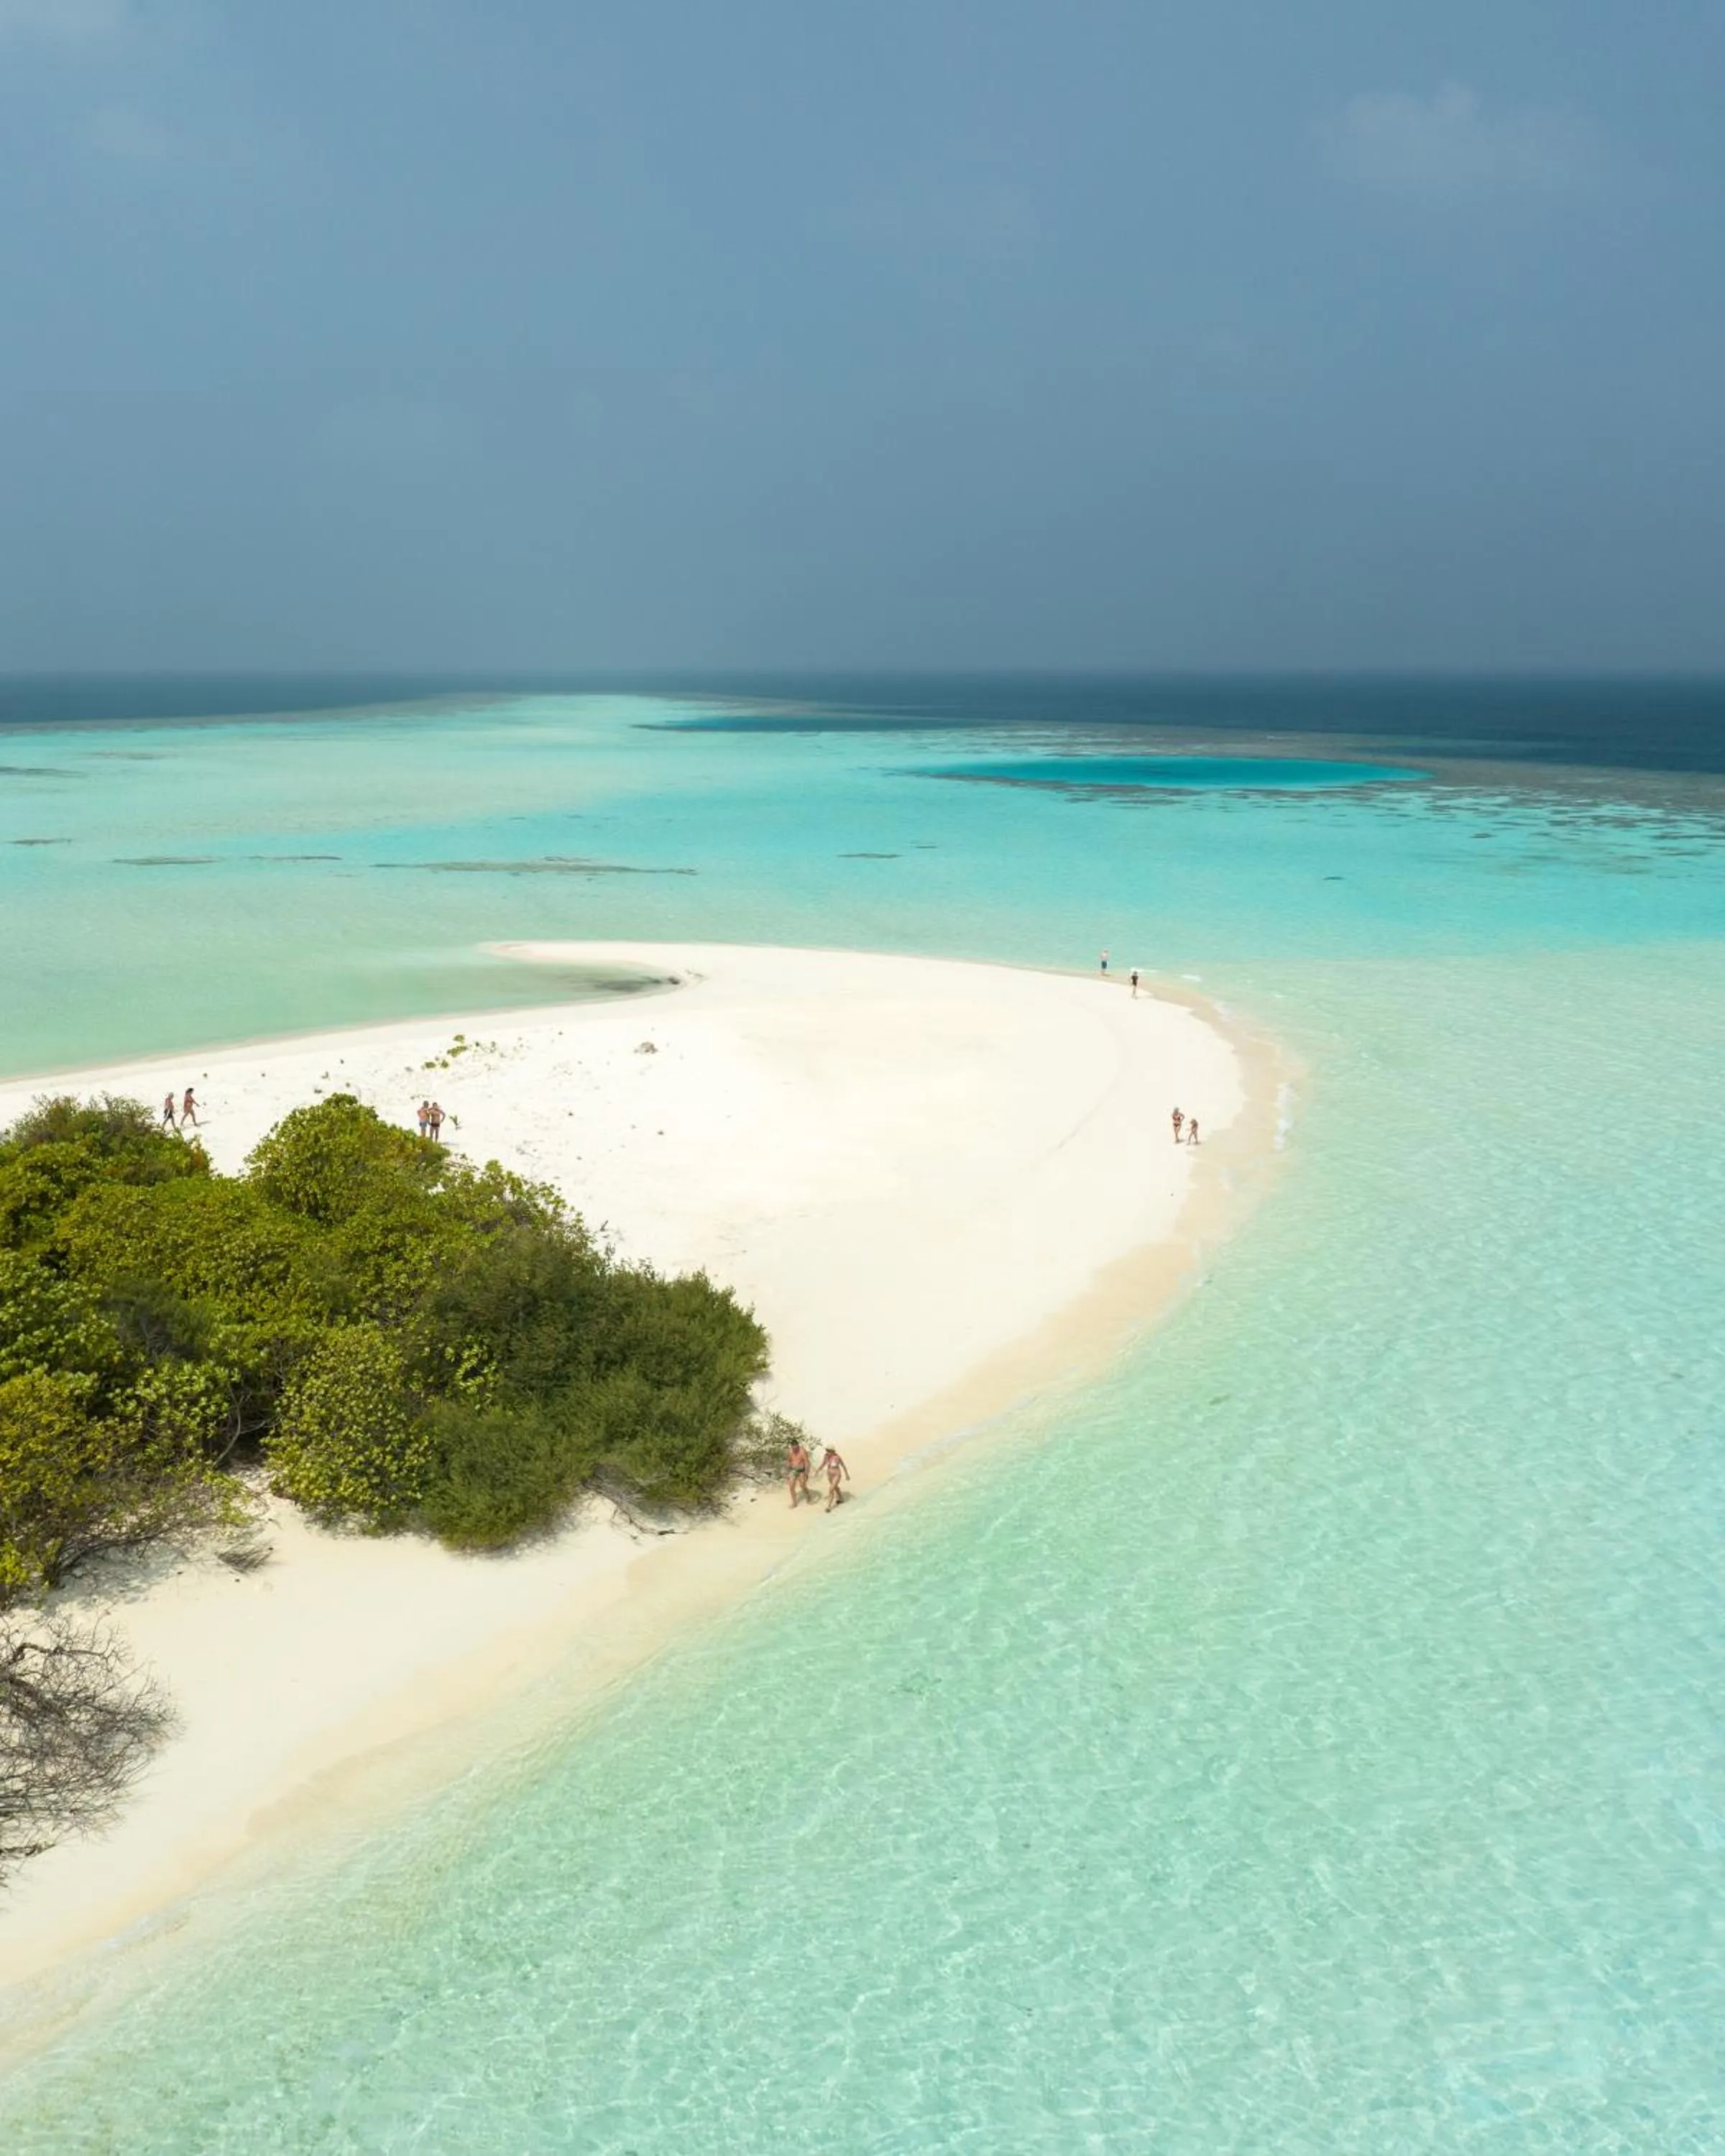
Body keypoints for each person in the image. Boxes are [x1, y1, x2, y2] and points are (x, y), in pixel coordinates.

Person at [822, 1445, 850, 1512]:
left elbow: (843, 1466)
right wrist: (818, 1470)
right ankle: (842, 1499)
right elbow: (823, 1464)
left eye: (829, 1451)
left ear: (833, 1451)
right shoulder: (826, 1456)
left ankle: (829, 1507)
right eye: (827, 1450)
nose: (827, 1452)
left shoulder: (837, 1457)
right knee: (835, 1487)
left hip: (837, 1475)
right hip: (829, 1475)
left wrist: (847, 1474)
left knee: (831, 1489)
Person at [786, 1433, 811, 1508]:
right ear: (791, 1447)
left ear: (798, 1446)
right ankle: (794, 1502)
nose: (795, 1450)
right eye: (793, 1448)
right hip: (793, 1470)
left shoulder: (802, 1451)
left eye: (796, 1448)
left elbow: (807, 1462)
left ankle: (808, 1495)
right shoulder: (790, 1451)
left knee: (802, 1486)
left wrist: (806, 1473)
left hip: (802, 1471)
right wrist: (788, 1465)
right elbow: (789, 1460)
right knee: (791, 1487)